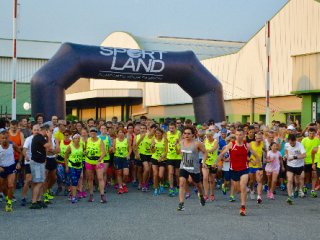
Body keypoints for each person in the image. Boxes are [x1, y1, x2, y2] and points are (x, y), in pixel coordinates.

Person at [217, 128, 261, 216]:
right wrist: (217, 163)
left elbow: (256, 155)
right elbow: (221, 154)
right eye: (237, 135)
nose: (238, 136)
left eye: (240, 135)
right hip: (234, 170)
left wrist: (258, 165)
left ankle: (243, 207)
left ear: (243, 135)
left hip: (244, 169)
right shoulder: (231, 144)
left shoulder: (247, 145)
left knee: (243, 186)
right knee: (238, 190)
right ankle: (243, 193)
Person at [176, 126, 207, 211]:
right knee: (181, 183)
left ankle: (201, 195)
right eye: (185, 133)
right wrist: (176, 148)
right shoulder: (181, 142)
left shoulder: (197, 143)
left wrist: (203, 162)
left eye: (189, 133)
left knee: (198, 185)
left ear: (193, 135)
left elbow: (205, 152)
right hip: (184, 166)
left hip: (194, 168)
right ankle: (181, 204)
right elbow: (179, 153)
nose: (186, 135)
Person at [30, 124, 53, 209]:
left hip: (40, 163)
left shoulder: (40, 138)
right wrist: (49, 137)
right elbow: (49, 146)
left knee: (41, 182)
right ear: (46, 130)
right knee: (38, 182)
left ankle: (38, 200)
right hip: (36, 163)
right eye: (50, 131)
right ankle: (34, 202)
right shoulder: (39, 137)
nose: (50, 132)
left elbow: (48, 149)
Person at [0, 128, 22, 212]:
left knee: (10, 185)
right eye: (3, 138)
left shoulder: (13, 145)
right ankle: (7, 197)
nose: (5, 140)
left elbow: (20, 153)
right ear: (0, 138)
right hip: (2, 168)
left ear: (8, 138)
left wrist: (19, 162)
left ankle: (9, 203)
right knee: (2, 187)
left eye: (6, 138)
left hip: (11, 167)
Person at [85, 127, 106, 203]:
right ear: (89, 133)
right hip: (89, 162)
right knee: (90, 179)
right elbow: (86, 149)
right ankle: (91, 195)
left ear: (97, 133)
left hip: (98, 162)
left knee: (100, 178)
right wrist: (85, 152)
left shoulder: (100, 141)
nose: (92, 134)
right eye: (91, 132)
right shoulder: (88, 140)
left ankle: (102, 195)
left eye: (94, 132)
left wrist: (99, 160)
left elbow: (104, 153)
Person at [284, 134, 306, 204]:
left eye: (293, 143)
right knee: (290, 180)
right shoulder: (287, 144)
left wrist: (294, 157)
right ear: (289, 141)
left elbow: (304, 155)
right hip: (290, 165)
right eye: (291, 143)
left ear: (295, 141)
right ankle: (290, 196)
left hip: (299, 165)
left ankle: (299, 189)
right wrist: (285, 156)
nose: (292, 144)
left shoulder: (300, 145)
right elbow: (286, 151)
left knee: (299, 180)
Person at [21, 124, 40, 206]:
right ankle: (23, 197)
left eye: (38, 130)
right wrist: (26, 156)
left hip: (38, 162)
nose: (36, 131)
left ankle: (34, 199)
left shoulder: (41, 139)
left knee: (37, 181)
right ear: (32, 131)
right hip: (29, 162)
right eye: (35, 130)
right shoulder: (28, 139)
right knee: (28, 180)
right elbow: (24, 150)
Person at [134, 124, 155, 192]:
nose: (142, 130)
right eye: (141, 128)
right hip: (141, 154)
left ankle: (145, 183)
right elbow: (135, 146)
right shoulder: (137, 136)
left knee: (148, 170)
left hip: (150, 155)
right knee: (140, 170)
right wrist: (136, 154)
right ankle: (141, 183)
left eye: (144, 128)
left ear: (146, 129)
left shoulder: (151, 136)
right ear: (139, 129)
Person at [64, 133, 84, 203]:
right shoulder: (70, 146)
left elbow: (84, 152)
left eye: (78, 138)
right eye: (75, 138)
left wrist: (85, 153)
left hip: (79, 165)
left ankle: (72, 194)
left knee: (77, 180)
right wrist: (66, 166)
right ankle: (73, 197)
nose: (77, 140)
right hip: (72, 165)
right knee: (74, 181)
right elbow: (65, 156)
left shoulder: (82, 145)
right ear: (73, 139)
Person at [301, 127, 319, 197]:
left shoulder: (317, 140)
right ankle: (305, 186)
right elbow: (302, 150)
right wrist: (303, 160)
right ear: (308, 133)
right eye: (310, 133)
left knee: (314, 175)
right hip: (306, 160)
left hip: (314, 161)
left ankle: (312, 190)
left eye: (313, 133)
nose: (311, 135)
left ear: (315, 133)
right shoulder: (304, 140)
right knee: (307, 176)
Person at [113, 129, 132, 194]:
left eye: (122, 132)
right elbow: (113, 149)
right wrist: (111, 149)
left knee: (126, 173)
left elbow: (130, 148)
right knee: (119, 173)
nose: (121, 133)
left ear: (124, 134)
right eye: (120, 132)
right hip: (117, 158)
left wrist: (129, 154)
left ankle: (123, 183)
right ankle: (120, 187)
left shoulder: (127, 140)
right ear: (117, 133)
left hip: (125, 158)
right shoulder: (115, 140)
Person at [248, 132, 266, 203]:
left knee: (259, 180)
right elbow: (245, 155)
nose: (259, 139)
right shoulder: (251, 144)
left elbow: (265, 154)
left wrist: (266, 152)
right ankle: (252, 189)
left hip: (259, 165)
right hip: (251, 164)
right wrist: (251, 160)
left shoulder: (263, 144)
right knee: (252, 181)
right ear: (255, 138)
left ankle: (259, 196)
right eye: (258, 138)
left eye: (260, 138)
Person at [202, 129, 219, 201]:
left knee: (211, 180)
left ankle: (212, 193)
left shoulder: (216, 141)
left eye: (209, 136)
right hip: (205, 161)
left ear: (212, 135)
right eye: (207, 136)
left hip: (213, 163)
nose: (208, 137)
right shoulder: (205, 140)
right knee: (205, 177)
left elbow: (213, 149)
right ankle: (206, 194)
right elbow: (202, 149)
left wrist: (206, 151)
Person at [166, 122, 182, 197]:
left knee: (177, 173)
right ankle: (171, 188)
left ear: (176, 128)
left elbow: (182, 143)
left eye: (173, 128)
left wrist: (178, 142)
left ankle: (178, 186)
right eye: (170, 128)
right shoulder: (167, 134)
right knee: (170, 172)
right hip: (169, 156)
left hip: (178, 156)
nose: (171, 129)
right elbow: (166, 144)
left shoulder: (179, 133)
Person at [150, 128, 167, 196]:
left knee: (160, 175)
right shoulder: (153, 139)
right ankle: (156, 188)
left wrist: (161, 157)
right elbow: (152, 151)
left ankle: (161, 184)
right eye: (156, 133)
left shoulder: (165, 139)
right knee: (155, 174)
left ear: (161, 133)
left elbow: (166, 150)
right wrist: (152, 146)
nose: (157, 134)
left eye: (159, 133)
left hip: (162, 159)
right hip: (154, 158)